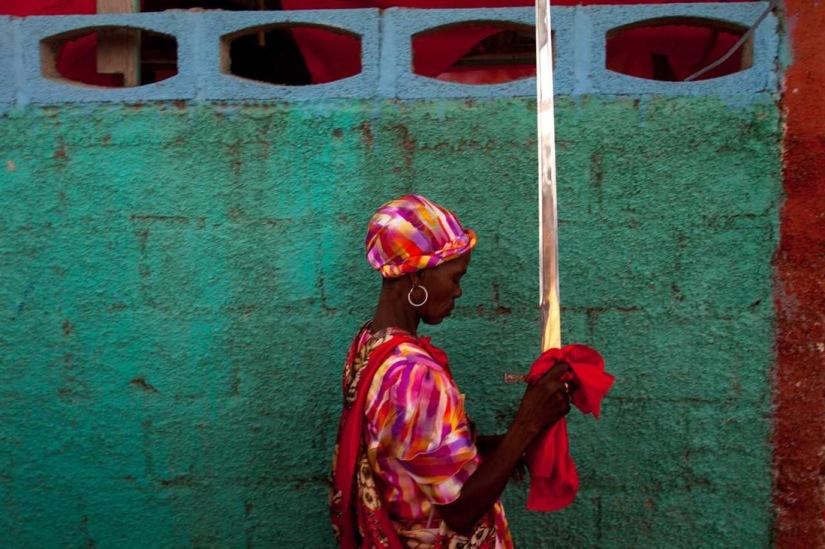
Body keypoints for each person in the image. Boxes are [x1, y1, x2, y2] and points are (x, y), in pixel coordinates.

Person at [330, 195, 574, 548]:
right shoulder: (412, 376)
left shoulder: (369, 344)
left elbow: (424, 453)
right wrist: (527, 423)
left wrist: (507, 447)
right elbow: (460, 511)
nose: (458, 291)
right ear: (416, 275)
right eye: (456, 277)